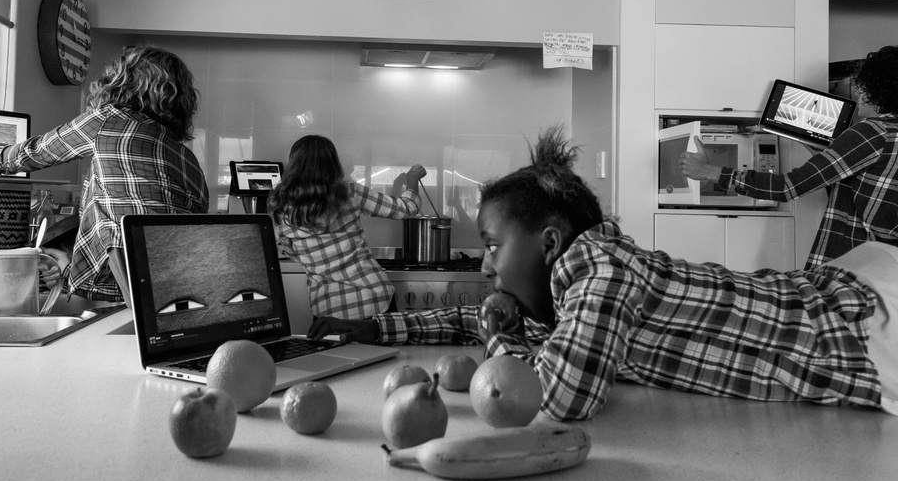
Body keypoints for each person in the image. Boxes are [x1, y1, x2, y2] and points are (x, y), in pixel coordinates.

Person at [308, 126, 898, 420]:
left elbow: (561, 399)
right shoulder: (571, 287)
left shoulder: (602, 275)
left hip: (859, 330)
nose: (485, 264)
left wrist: (499, 338)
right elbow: (475, 318)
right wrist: (371, 329)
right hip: (845, 292)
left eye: (492, 246)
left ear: (549, 243)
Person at [0, 45, 209, 304]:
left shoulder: (109, 119)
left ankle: (64, 269)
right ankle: (65, 268)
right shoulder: (187, 158)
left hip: (129, 272)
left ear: (121, 83)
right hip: (183, 280)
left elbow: (38, 151)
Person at [680, 45, 898, 269]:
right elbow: (868, 198)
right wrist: (825, 157)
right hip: (886, 270)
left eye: (864, 87)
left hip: (858, 268)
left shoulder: (872, 132)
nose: (859, 93)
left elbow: (788, 187)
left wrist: (710, 171)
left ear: (881, 92)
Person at [266, 135, 425, 319]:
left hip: (328, 308)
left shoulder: (280, 207)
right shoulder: (351, 192)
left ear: (293, 163)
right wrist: (412, 179)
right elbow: (407, 208)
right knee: (383, 340)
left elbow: (293, 254)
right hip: (373, 298)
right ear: (333, 163)